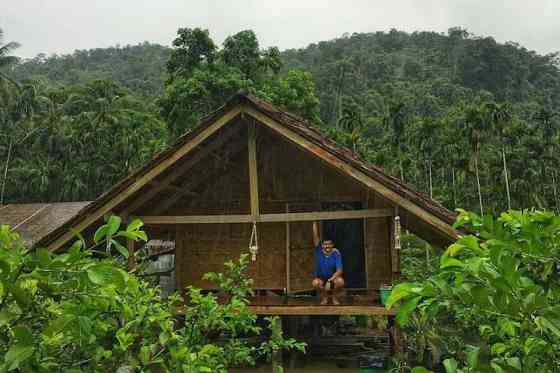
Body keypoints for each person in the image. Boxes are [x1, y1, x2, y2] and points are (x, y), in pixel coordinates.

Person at [312, 221, 344, 305]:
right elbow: (315, 237)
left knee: (340, 281)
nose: (327, 246)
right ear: (322, 245)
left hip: (332, 278)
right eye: (325, 244)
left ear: (332, 245)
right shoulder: (319, 251)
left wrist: (330, 280)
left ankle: (333, 297)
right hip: (321, 278)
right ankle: (325, 296)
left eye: (329, 244)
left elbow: (339, 271)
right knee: (315, 283)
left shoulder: (336, 254)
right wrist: (314, 222)